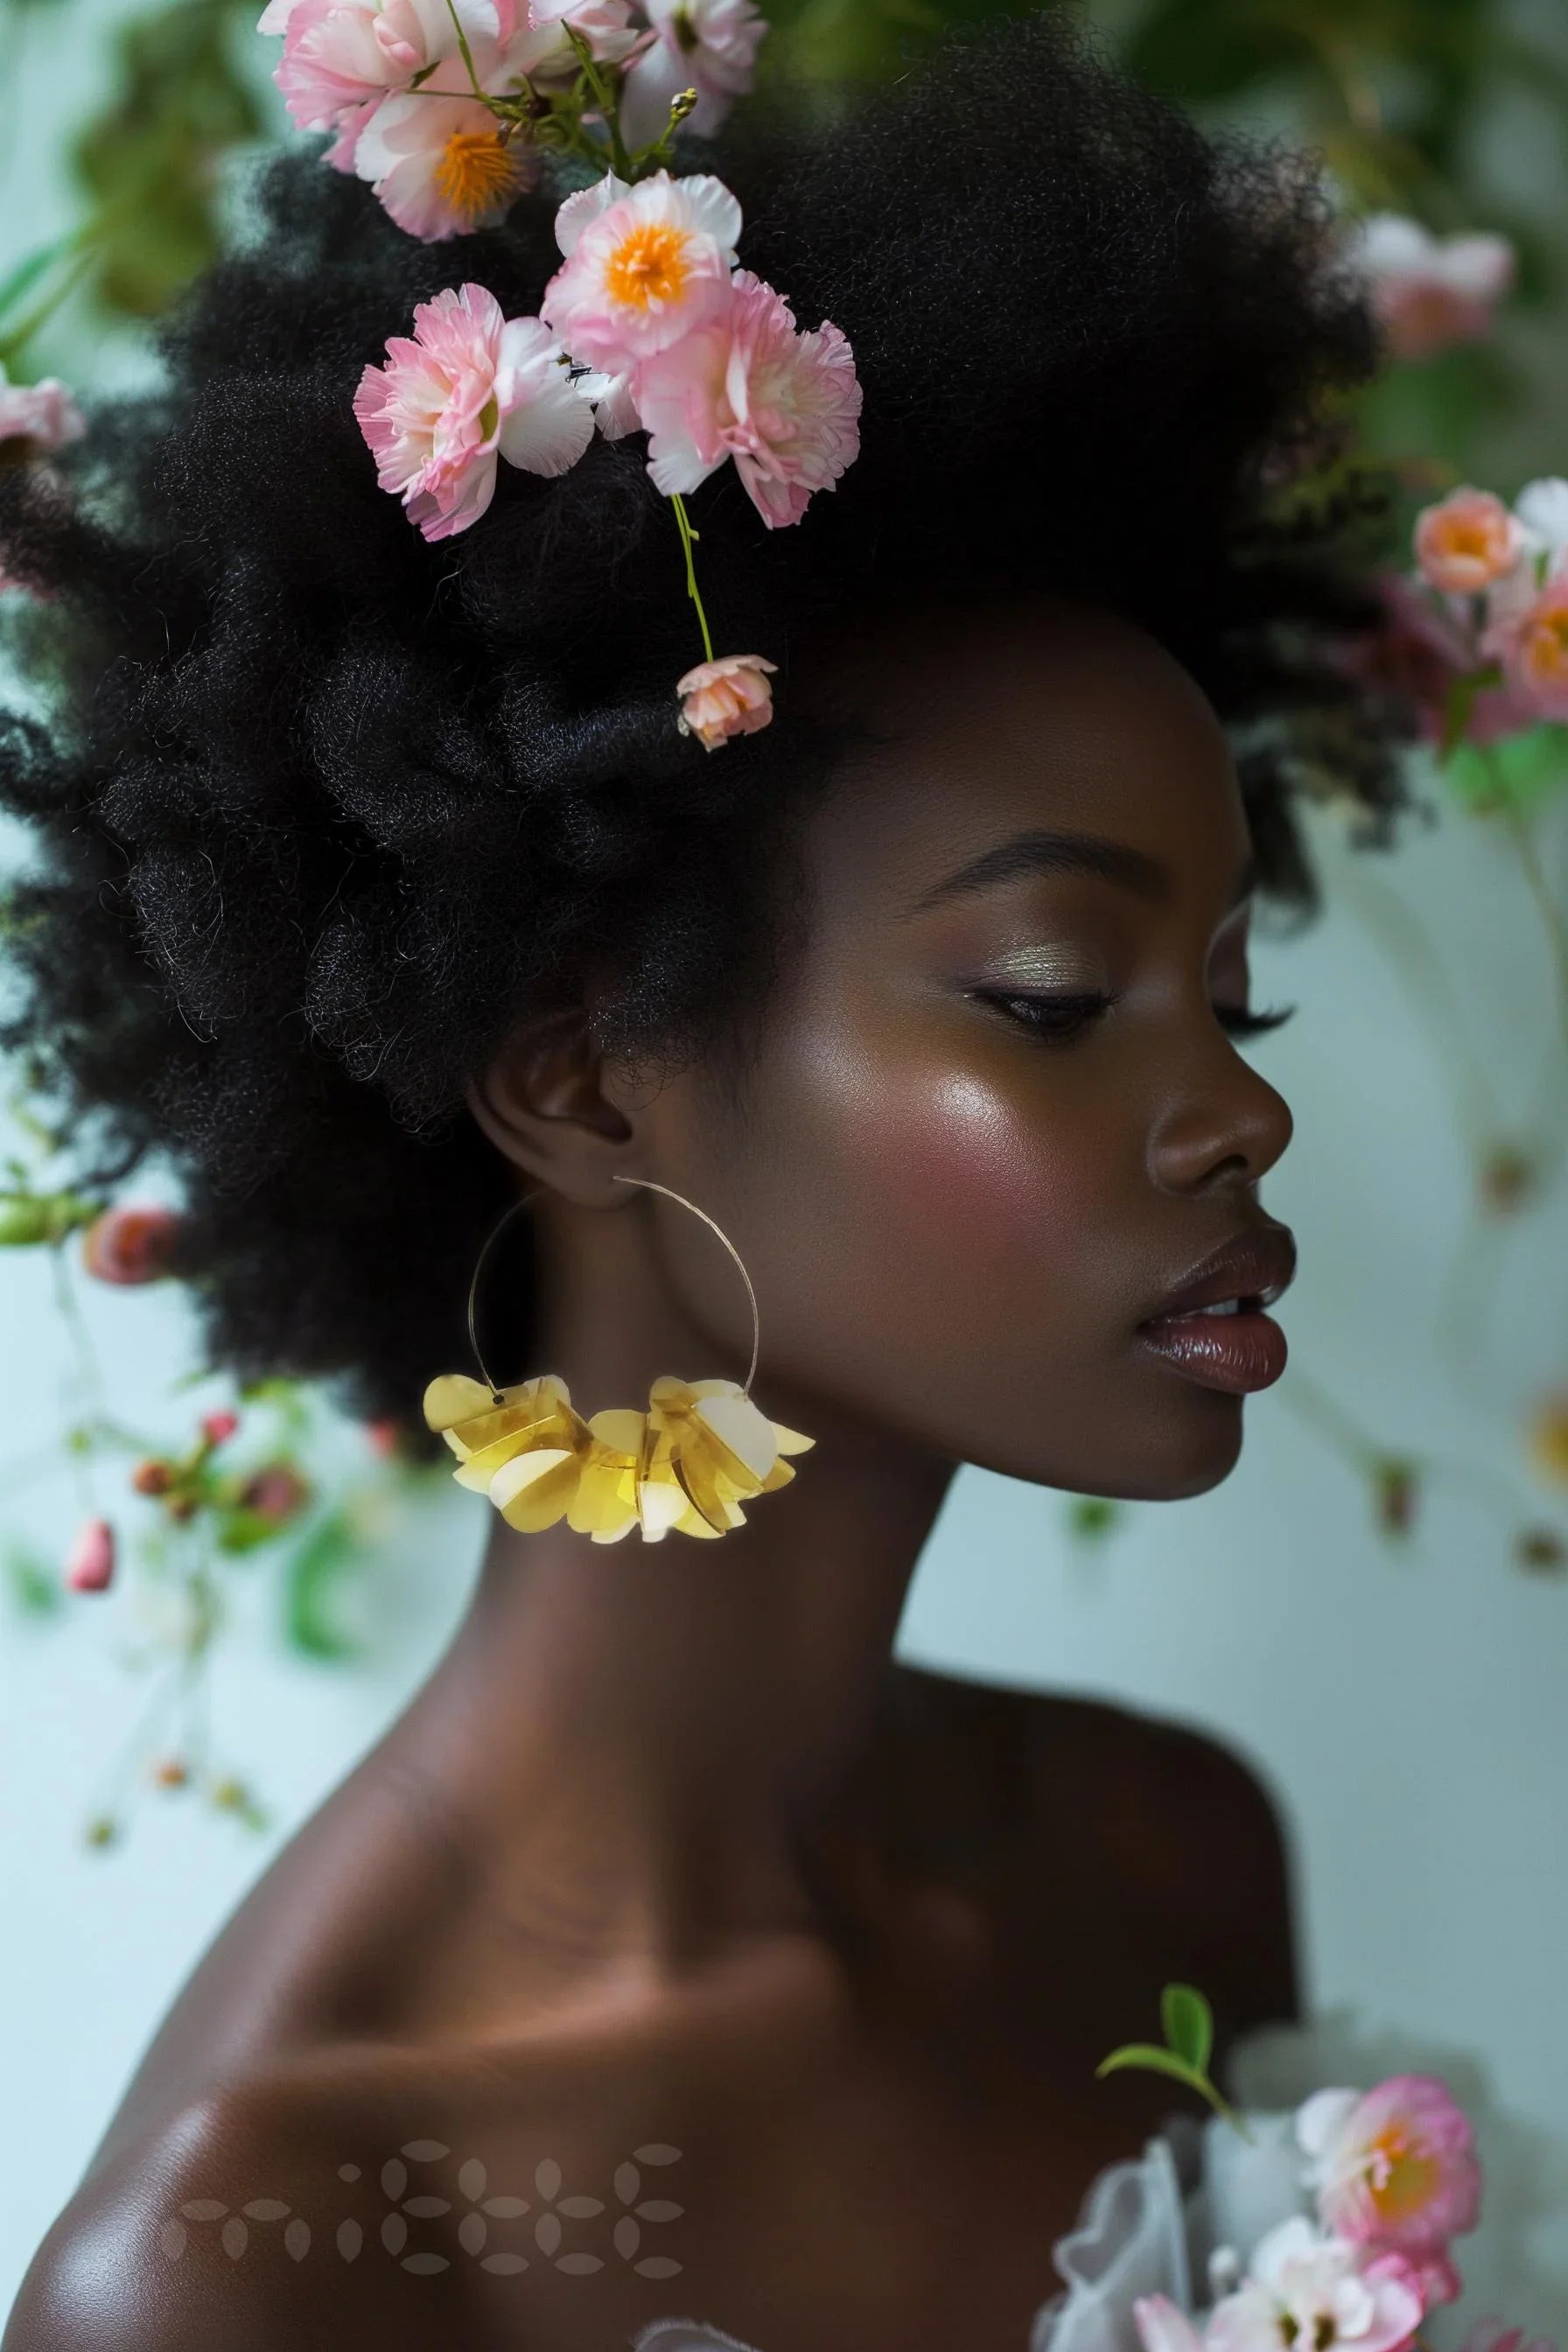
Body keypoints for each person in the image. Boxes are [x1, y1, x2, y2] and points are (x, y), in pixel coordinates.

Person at [0, 10, 1416, 2347]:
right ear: (583, 1082)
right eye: (1060, 991)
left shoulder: (1165, 1868)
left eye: (1231, 991)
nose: (1243, 1112)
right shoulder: (270, 2255)